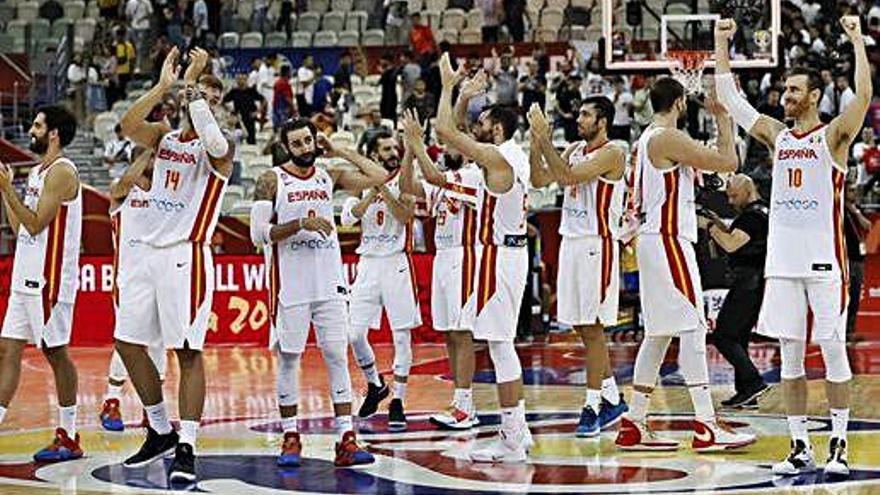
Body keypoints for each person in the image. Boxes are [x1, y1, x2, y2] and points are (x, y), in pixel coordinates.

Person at [715, 16, 870, 477]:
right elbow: (732, 101)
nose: (786, 97)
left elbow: (862, 97)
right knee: (790, 359)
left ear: (814, 96)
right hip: (781, 265)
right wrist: (722, 44)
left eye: (794, 90)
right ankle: (801, 445)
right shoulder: (777, 137)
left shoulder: (833, 137)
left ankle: (838, 445)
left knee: (834, 352)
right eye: (784, 90)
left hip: (824, 263)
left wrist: (858, 41)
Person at [616, 76, 754, 452]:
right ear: (679, 103)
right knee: (693, 327)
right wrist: (722, 116)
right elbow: (729, 161)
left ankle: (634, 421)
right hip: (667, 240)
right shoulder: (666, 138)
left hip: (654, 240)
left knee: (659, 333)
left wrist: (720, 126)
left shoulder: (650, 138)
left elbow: (723, 170)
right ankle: (706, 425)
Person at [115, 47, 234, 483]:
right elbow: (127, 126)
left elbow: (216, 142)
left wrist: (193, 87)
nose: (204, 98)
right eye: (203, 92)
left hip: (187, 255)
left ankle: (188, 446)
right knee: (127, 343)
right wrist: (164, 87)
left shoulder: (221, 151)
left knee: (187, 352)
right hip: (147, 252)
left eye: (212, 96)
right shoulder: (165, 138)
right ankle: (161, 429)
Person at [250, 118, 386, 467]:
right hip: (290, 285)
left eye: (308, 140)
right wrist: (299, 224)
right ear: (286, 147)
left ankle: (346, 437)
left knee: (337, 356)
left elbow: (380, 177)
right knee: (290, 358)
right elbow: (257, 234)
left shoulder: (329, 175)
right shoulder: (271, 179)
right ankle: (290, 435)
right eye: (297, 143)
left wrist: (338, 149)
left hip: (329, 283)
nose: (305, 148)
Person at [436, 54, 532, 462]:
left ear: (497, 127)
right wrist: (463, 97)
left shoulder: (500, 158)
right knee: (500, 345)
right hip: (509, 253)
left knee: (500, 346)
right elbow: (455, 133)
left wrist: (446, 87)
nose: (476, 127)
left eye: (482, 122)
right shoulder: (512, 155)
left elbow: (444, 132)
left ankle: (512, 438)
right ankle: (518, 431)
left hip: (500, 257)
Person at [527, 96, 628, 437]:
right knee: (583, 329)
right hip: (571, 242)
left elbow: (568, 178)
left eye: (586, 114)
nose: (579, 118)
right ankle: (612, 397)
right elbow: (540, 180)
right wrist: (534, 141)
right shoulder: (571, 149)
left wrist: (544, 140)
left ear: (603, 122)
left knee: (594, 326)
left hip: (596, 245)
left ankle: (592, 405)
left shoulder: (614, 152)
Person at [399, 77, 484, 430]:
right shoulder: (450, 175)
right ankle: (458, 401)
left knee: (463, 333)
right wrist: (408, 149)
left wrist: (418, 144)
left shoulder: (475, 174)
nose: (447, 144)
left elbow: (431, 176)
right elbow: (408, 186)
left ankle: (467, 406)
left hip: (466, 256)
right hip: (443, 257)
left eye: (454, 140)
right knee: (450, 332)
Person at [0, 106, 82, 462]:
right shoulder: (36, 172)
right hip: (25, 274)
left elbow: (34, 224)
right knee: (7, 349)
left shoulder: (63, 173)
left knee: (55, 353)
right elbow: (19, 229)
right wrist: (6, 192)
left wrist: (7, 189)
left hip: (50, 281)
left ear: (53, 133)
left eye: (36, 125)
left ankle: (70, 434)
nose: (29, 130)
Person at [341, 130, 421, 432]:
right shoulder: (361, 181)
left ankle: (398, 399)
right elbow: (348, 218)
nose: (392, 152)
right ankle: (375, 384)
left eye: (394, 147)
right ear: (374, 153)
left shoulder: (405, 178)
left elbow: (404, 215)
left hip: (396, 261)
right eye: (386, 148)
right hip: (368, 264)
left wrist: (385, 188)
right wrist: (373, 187)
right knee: (354, 334)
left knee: (401, 335)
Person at [99, 149, 169, 432]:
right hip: (129, 279)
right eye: (153, 159)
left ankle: (152, 410)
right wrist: (147, 151)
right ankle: (111, 401)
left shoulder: (166, 195)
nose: (157, 164)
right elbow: (121, 186)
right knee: (129, 340)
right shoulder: (123, 191)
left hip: (162, 278)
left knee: (159, 345)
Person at [698, 174, 770, 409]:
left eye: (733, 195)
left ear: (748, 190)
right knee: (739, 337)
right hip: (757, 281)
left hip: (748, 282)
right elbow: (738, 237)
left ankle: (754, 382)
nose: (730, 200)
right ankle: (747, 393)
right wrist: (719, 223)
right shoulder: (763, 211)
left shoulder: (751, 216)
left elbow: (731, 244)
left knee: (724, 336)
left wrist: (708, 226)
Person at [844, 182, 871, 339]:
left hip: (858, 258)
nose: (854, 193)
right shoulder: (839, 210)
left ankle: (850, 329)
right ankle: (843, 330)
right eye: (851, 191)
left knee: (855, 297)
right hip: (846, 258)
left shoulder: (856, 209)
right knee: (846, 297)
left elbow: (867, 225)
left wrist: (856, 212)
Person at [223, 73, 264, 145]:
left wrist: (257, 112)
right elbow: (223, 101)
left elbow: (263, 101)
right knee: (238, 141)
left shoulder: (251, 91)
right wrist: (229, 110)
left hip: (250, 118)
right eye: (238, 79)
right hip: (239, 119)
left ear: (246, 80)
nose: (241, 81)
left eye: (243, 79)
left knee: (251, 140)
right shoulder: (234, 91)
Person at [273, 65, 294, 130]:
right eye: (290, 72)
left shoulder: (278, 82)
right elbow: (287, 98)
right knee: (283, 129)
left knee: (280, 129)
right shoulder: (283, 83)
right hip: (283, 110)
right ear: (287, 73)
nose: (291, 74)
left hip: (278, 109)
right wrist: (294, 108)